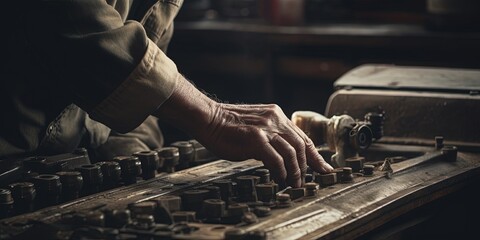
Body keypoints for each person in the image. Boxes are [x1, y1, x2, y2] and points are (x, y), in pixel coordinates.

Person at [0, 0, 332, 188]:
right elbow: (86, 33)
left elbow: (145, 99)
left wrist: (132, 166)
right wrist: (216, 118)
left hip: (63, 170)